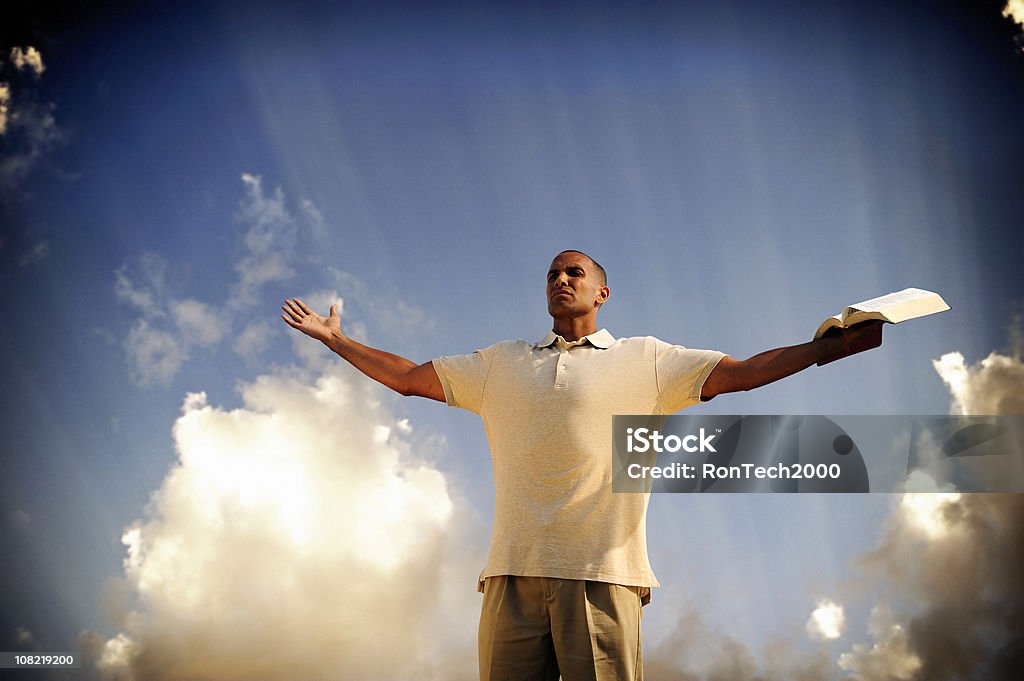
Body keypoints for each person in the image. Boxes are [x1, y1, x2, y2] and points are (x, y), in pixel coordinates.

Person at [281, 250, 882, 681]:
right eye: (552, 274)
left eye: (575, 273)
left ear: (602, 293)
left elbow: (746, 372)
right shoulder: (501, 363)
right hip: (512, 575)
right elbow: (411, 380)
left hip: (603, 574)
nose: (560, 280)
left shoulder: (648, 360)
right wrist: (337, 341)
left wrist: (828, 347)